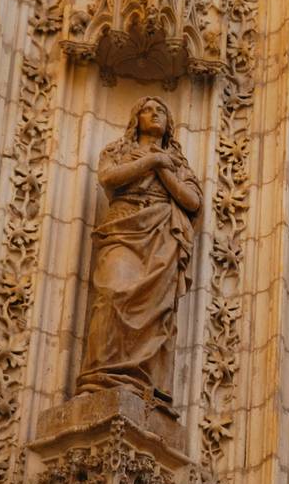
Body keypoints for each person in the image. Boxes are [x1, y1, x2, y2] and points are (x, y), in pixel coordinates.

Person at [74, 97, 202, 409]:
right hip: (124, 225)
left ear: (169, 123)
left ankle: (144, 382)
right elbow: (108, 177)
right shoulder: (118, 150)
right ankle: (100, 377)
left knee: (155, 311)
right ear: (136, 118)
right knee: (112, 295)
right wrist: (151, 162)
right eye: (147, 109)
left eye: (161, 110)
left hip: (161, 235)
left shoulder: (179, 163)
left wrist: (163, 167)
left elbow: (192, 201)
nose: (154, 113)